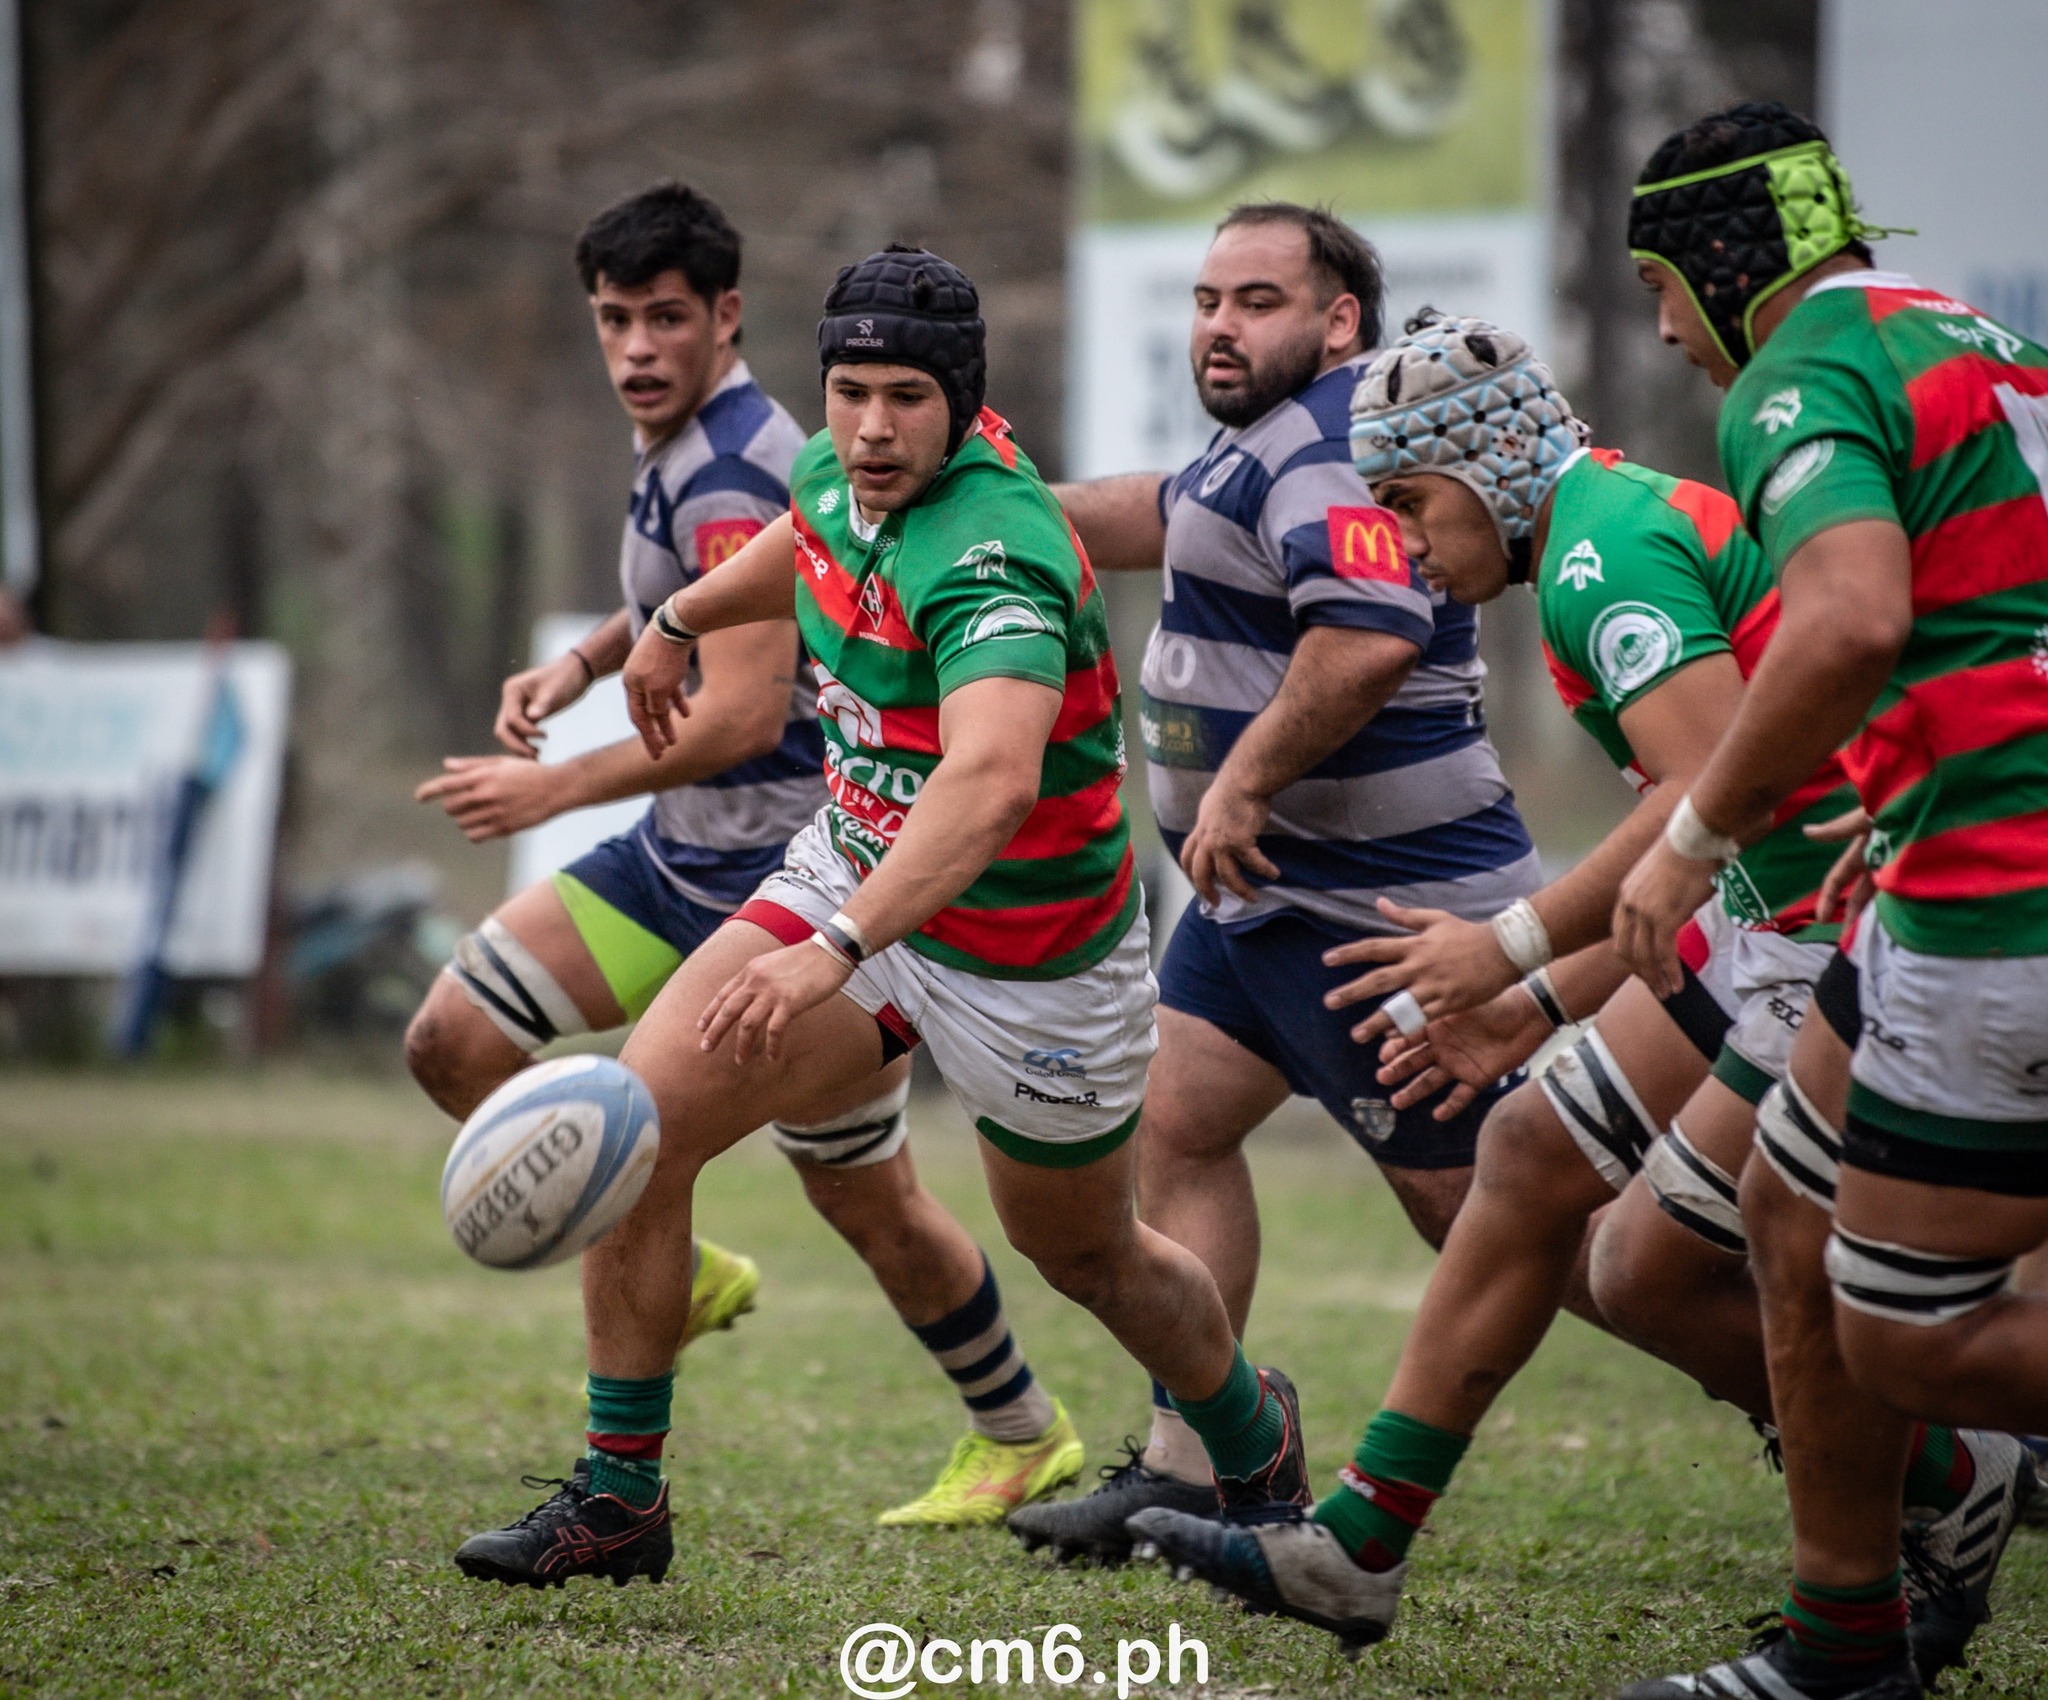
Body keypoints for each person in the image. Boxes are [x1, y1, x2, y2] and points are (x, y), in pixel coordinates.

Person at [1128, 309, 2024, 1674]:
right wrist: (1536, 1005)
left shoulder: (1601, 560)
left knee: (1673, 1265)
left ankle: (1939, 1494)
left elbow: (1713, 794)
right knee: (1534, 1155)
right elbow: (1700, 842)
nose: (1408, 550)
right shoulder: (1599, 527)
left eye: (1410, 507)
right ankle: (1358, 1542)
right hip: (1763, 914)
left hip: (1824, 927)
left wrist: (1513, 948)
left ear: (1490, 473)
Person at [448, 244, 1312, 1590]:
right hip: (848, 868)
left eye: (906, 396)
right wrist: (673, 614)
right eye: (849, 391)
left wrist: (835, 956)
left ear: (962, 403)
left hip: (1031, 959)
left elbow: (987, 783)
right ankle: (620, 1499)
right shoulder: (833, 471)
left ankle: (1256, 1455)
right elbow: (811, 536)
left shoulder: (997, 549)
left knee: (1087, 1253)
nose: (869, 426)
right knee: (638, 1129)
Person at [408, 186, 1079, 1546]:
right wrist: (595, 656)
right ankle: (659, 1295)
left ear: (727, 319)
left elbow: (737, 713)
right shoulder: (696, 453)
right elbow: (683, 599)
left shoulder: (750, 464)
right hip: (680, 858)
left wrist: (551, 782)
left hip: (771, 870)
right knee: (460, 1040)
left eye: (667, 318)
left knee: (856, 1193)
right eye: (614, 320)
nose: (638, 348)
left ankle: (1025, 1429)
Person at [1007, 203, 1546, 1564]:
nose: (1219, 326)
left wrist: (1237, 784)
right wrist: (999, 505)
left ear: (1340, 320)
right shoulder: (1269, 443)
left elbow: (1366, 641)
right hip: (1263, 902)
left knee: (1539, 1229)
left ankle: (1893, 1430)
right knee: (1176, 1129)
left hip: (1387, 913)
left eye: (1255, 300)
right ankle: (1198, 1466)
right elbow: (1161, 513)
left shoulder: (1332, 449)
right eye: (1205, 300)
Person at [1608, 103, 2044, 1700]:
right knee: (1781, 1209)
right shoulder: (1978, 335)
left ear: (1729, 260)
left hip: (2007, 894)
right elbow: (1992, 607)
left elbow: (1853, 619)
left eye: (1663, 279)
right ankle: (1846, 1645)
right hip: (1945, 849)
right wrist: (1904, 784)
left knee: (1911, 1339)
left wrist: (1690, 835)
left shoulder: (1805, 370)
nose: (1664, 322)